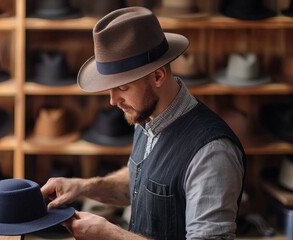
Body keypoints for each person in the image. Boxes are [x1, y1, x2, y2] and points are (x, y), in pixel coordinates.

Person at [40, 6, 246, 240]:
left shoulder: (212, 153)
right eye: (109, 87)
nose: (112, 100)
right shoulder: (145, 115)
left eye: (123, 87)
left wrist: (111, 235)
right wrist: (84, 187)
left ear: (158, 76)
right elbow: (140, 183)